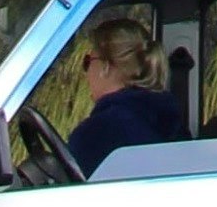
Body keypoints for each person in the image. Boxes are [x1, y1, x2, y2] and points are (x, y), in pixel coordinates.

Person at [62, 11, 188, 177]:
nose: (86, 72)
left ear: (106, 67)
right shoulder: (171, 122)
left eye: (88, 62)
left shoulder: (98, 132)